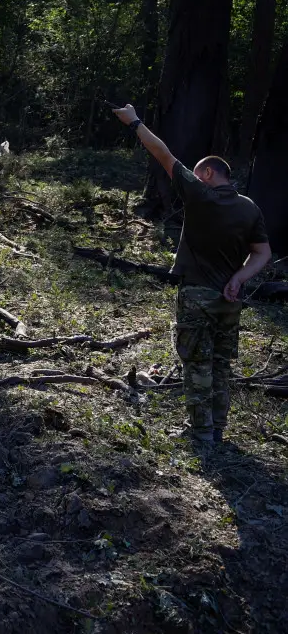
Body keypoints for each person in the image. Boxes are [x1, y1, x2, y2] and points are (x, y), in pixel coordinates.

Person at [113, 105, 272, 443]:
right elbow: (263, 254)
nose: (196, 179)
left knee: (197, 364)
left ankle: (200, 433)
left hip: (197, 297)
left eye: (200, 174)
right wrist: (240, 277)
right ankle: (216, 428)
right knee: (220, 365)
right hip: (230, 301)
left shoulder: (201, 195)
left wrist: (134, 122)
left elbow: (163, 154)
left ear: (210, 175)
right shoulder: (250, 208)